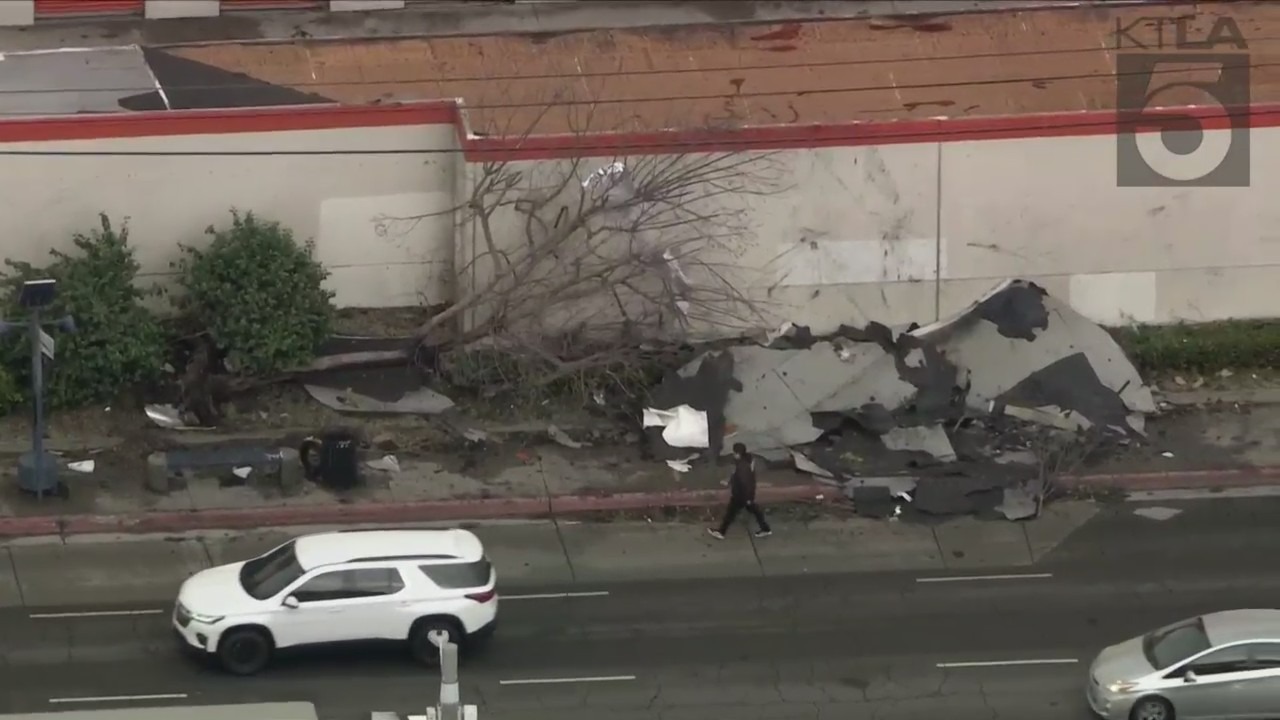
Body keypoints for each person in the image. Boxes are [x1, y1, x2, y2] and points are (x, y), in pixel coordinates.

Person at [707, 442, 772, 540]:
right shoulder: (746, 460)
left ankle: (721, 532)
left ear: (738, 453)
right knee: (753, 510)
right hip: (743, 494)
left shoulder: (743, 466)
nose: (733, 454)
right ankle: (765, 529)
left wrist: (748, 498)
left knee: (731, 513)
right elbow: (738, 475)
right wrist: (729, 481)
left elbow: (747, 482)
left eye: (734, 453)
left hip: (741, 494)